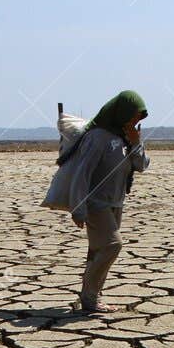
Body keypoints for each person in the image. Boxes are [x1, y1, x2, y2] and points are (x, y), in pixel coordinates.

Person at [63, 91, 149, 313]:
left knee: (97, 250)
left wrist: (136, 143)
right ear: (121, 112)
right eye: (133, 117)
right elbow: (82, 173)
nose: (135, 123)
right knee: (112, 245)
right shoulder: (98, 137)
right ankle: (90, 299)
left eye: (139, 118)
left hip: (116, 203)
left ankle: (91, 296)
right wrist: (78, 208)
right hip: (96, 203)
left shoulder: (126, 137)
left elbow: (141, 165)